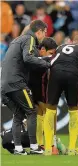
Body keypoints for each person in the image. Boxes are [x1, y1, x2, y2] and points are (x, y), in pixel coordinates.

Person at [1, 20, 51, 155]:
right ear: (39, 31)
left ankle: (18, 148)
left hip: (4, 84)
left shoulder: (17, 40)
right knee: (32, 111)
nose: (45, 35)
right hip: (16, 82)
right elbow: (28, 58)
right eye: (45, 32)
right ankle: (34, 147)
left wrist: (41, 60)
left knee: (18, 115)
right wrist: (47, 62)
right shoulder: (29, 39)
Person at [44, 35, 78, 155]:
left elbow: (50, 64)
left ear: (72, 42)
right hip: (72, 75)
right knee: (73, 111)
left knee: (50, 110)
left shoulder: (61, 46)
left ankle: (47, 148)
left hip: (55, 73)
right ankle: (72, 148)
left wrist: (51, 85)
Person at [28, 37, 58, 154]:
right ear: (43, 49)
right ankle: (51, 144)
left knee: (40, 114)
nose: (52, 56)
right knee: (48, 113)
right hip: (40, 88)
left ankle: (41, 144)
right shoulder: (39, 59)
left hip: (35, 88)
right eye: (51, 53)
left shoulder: (32, 56)